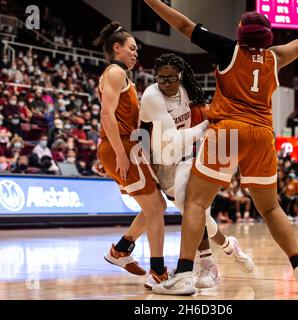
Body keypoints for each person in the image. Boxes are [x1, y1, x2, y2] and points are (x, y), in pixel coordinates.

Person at [143, 0, 298, 295]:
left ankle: (183, 276)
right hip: (262, 135)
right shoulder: (275, 56)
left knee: (195, 203)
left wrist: (152, 2)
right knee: (270, 207)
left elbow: (183, 24)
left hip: (228, 131)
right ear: (267, 35)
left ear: (241, 32)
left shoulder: (229, 49)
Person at [100, 53, 254, 290]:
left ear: (180, 76)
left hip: (189, 156)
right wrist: (204, 126)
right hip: (162, 161)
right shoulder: (152, 95)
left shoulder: (188, 89)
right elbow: (171, 139)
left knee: (188, 207)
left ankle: (195, 266)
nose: (166, 84)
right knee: (164, 208)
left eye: (171, 79)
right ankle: (227, 247)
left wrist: (220, 117)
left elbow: (206, 111)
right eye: (161, 79)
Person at [94, 21, 167, 281]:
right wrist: (119, 153)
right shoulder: (115, 72)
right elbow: (106, 114)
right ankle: (158, 272)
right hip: (122, 146)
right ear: (117, 48)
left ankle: (122, 250)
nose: (136, 53)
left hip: (125, 145)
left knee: (156, 205)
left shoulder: (121, 75)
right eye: (132, 48)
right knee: (156, 208)